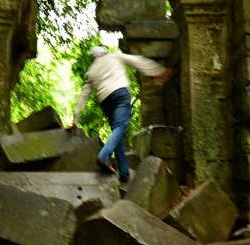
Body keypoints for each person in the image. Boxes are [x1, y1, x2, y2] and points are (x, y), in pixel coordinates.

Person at [69, 46, 174, 183]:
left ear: (93, 58)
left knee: (117, 131)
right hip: (120, 94)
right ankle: (104, 155)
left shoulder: (91, 71)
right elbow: (138, 61)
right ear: (104, 52)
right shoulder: (114, 56)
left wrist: (75, 121)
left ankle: (124, 173)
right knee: (120, 127)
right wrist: (156, 71)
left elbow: (83, 96)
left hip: (105, 100)